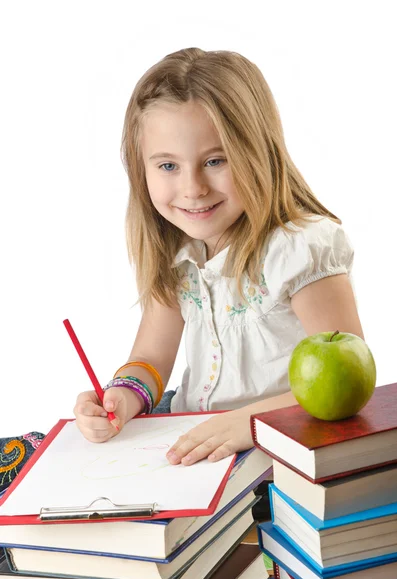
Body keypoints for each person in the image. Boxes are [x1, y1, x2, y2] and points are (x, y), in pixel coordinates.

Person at [73, 47, 364, 466]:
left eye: (214, 161)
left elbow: (349, 386)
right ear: (142, 171)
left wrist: (246, 424)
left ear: (256, 152)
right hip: (193, 437)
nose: (193, 188)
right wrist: (124, 396)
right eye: (168, 166)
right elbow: (151, 359)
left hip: (278, 448)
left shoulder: (301, 249)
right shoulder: (177, 253)